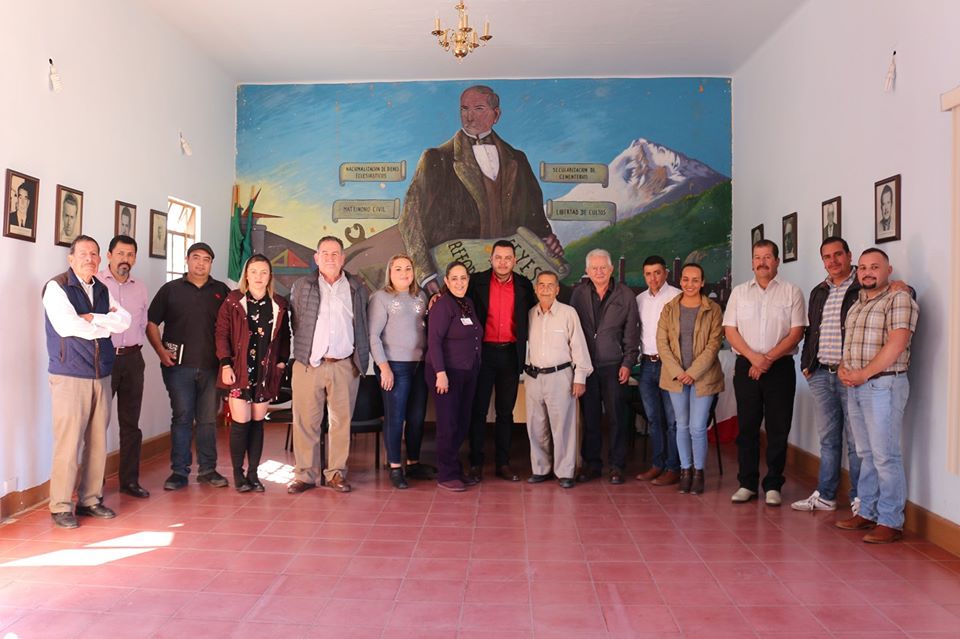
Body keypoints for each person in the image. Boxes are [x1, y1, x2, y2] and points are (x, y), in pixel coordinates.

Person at [398, 84, 562, 293]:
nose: (469, 117)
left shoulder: (518, 160)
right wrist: (427, 275)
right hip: (455, 277)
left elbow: (535, 217)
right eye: (464, 109)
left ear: (496, 114)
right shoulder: (436, 158)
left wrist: (546, 238)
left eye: (478, 109)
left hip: (507, 279)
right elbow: (410, 219)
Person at [43, 235, 131, 528]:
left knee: (97, 442)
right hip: (69, 374)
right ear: (71, 259)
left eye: (94, 254)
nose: (90, 259)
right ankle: (60, 506)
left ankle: (90, 500)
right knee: (68, 443)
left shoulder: (103, 289)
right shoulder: (56, 287)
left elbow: (125, 321)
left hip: (101, 373)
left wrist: (94, 319)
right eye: (84, 254)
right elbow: (67, 325)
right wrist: (104, 324)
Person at [835, 248, 918, 544]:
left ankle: (891, 521)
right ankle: (866, 512)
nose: (868, 272)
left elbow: (896, 345)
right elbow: (851, 345)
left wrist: (863, 373)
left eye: (875, 267)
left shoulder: (899, 299)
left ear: (889, 269)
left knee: (885, 456)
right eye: (863, 268)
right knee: (865, 454)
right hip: (856, 386)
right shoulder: (857, 304)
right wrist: (846, 369)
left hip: (884, 386)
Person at [723, 240, 807, 506]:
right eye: (757, 257)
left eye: (768, 257)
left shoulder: (792, 292)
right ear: (752, 262)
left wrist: (767, 359)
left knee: (778, 428)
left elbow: (796, 333)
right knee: (747, 427)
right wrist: (754, 359)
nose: (762, 262)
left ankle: (773, 484)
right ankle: (746, 483)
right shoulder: (739, 293)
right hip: (746, 366)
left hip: (779, 368)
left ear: (777, 261)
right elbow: (730, 330)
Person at [287, 236, 370, 494]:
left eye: (336, 253)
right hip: (308, 365)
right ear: (316, 257)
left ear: (343, 258)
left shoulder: (357, 286)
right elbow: (295, 321)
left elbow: (362, 323)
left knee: (340, 423)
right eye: (325, 253)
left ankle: (336, 474)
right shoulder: (302, 285)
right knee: (305, 422)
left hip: (344, 365)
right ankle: (305, 475)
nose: (331, 258)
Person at [147, 242, 230, 491]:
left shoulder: (222, 291)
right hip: (178, 368)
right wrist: (160, 351)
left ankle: (208, 470)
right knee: (182, 418)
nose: (201, 263)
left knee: (206, 420)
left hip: (211, 368)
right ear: (187, 260)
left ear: (211, 264)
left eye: (206, 259)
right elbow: (151, 323)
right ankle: (179, 472)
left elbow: (231, 328)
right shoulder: (170, 290)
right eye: (196, 258)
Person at [793, 237, 863, 513]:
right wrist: (806, 366)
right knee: (828, 439)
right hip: (821, 373)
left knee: (856, 441)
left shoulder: (862, 286)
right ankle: (826, 495)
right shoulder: (819, 291)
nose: (832, 261)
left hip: (851, 375)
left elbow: (903, 293)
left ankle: (860, 499)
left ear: (849, 255)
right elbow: (812, 331)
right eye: (827, 257)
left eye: (838, 255)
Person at [215, 254, 291, 493]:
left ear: (270, 276)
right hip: (239, 371)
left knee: (258, 424)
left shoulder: (279, 304)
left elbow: (285, 337)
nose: (259, 277)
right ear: (246, 275)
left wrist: (281, 363)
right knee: (240, 424)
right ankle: (238, 474)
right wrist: (226, 364)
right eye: (254, 272)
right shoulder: (234, 300)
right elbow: (221, 333)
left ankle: (254, 474)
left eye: (264, 272)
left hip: (265, 372)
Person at [466, 240, 536, 482]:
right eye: (499, 257)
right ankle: (476, 463)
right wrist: (436, 298)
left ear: (514, 261)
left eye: (508, 258)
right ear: (491, 259)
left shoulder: (524, 285)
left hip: (510, 355)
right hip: (482, 354)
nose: (503, 262)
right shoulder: (476, 282)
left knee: (506, 412)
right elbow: (456, 299)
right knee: (478, 410)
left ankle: (503, 464)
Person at [570, 248, 641, 484]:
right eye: (594, 268)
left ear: (611, 270)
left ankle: (617, 466)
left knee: (616, 417)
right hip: (586, 367)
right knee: (590, 418)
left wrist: (628, 362)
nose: (599, 272)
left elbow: (632, 332)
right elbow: (572, 331)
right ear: (587, 271)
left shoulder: (625, 295)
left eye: (603, 268)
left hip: (614, 365)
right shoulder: (578, 294)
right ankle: (592, 464)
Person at [656, 263, 724, 495]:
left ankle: (698, 472)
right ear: (680, 281)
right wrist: (678, 371)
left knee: (697, 427)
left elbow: (714, 345)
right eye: (685, 279)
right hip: (675, 378)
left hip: (703, 378)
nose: (690, 284)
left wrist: (692, 373)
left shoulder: (713, 309)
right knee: (680, 425)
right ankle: (685, 470)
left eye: (695, 280)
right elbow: (662, 343)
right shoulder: (669, 308)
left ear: (703, 282)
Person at [368, 254, 432, 489]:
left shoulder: (420, 297)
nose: (404, 273)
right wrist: (384, 367)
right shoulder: (381, 298)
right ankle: (395, 466)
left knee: (416, 417)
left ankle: (413, 462)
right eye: (398, 269)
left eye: (408, 268)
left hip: (420, 365)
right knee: (395, 418)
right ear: (390, 272)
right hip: (395, 366)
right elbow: (373, 335)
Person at [524, 271, 592, 489]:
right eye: (541, 285)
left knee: (563, 426)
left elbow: (579, 346)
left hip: (560, 376)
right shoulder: (530, 314)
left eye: (550, 285)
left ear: (557, 289)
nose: (545, 289)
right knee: (536, 426)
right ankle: (540, 469)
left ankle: (565, 472)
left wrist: (580, 377)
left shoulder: (568, 313)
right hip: (534, 377)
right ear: (535, 289)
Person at [98, 235, 150, 498]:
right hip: (105, 358)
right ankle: (92, 488)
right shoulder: (95, 283)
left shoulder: (140, 287)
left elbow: (142, 324)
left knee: (131, 423)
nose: (125, 260)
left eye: (130, 255)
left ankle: (129, 481)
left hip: (133, 359)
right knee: (98, 424)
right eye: (120, 254)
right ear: (109, 255)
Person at [426, 261, 483, 491]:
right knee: (448, 424)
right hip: (446, 373)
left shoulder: (467, 303)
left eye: (464, 278)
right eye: (455, 278)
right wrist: (441, 373)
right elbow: (433, 341)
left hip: (468, 371)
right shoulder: (442, 305)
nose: (460, 282)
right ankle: (446, 474)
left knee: (461, 422)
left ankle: (455, 468)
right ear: (446, 282)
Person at [634, 255, 681, 485]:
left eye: (657, 272)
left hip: (670, 365)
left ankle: (674, 467)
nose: (653, 278)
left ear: (666, 273)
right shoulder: (640, 299)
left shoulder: (677, 297)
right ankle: (657, 464)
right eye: (648, 273)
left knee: (673, 420)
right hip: (647, 366)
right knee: (653, 419)